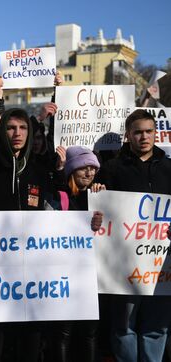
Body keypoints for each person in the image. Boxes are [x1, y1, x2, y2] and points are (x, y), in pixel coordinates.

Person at [0, 108, 102, 362]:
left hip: (33, 285)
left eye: (23, 128)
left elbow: (58, 220)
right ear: (1, 131)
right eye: (11, 128)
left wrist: (84, 227)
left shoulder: (41, 173)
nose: (17, 133)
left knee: (30, 348)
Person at [96, 109, 171, 362]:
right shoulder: (111, 169)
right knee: (123, 328)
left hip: (162, 265)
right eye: (138, 132)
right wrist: (97, 196)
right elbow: (99, 214)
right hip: (124, 265)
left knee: (157, 327)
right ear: (128, 135)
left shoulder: (170, 168)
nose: (144, 137)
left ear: (156, 133)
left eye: (149, 131)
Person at [54, 146, 105, 362]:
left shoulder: (98, 196)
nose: (90, 173)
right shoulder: (59, 196)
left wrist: (103, 200)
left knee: (89, 333)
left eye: (93, 168)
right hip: (63, 274)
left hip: (92, 275)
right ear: (72, 170)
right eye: (84, 167)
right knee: (63, 333)